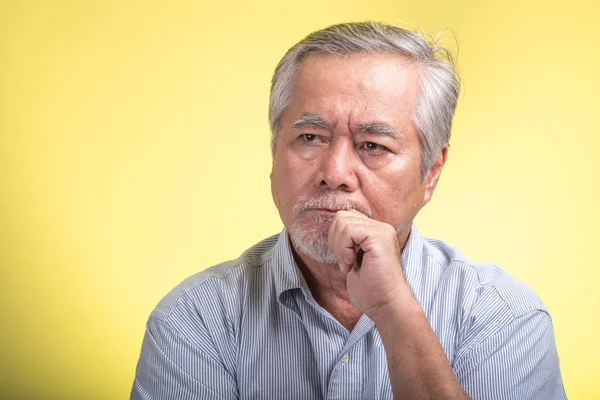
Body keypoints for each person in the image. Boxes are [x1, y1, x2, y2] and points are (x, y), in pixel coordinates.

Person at [131, 21, 566, 399]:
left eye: (373, 146)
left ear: (430, 172)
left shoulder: (501, 316)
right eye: (310, 138)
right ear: (273, 153)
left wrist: (395, 309)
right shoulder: (196, 319)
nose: (335, 173)